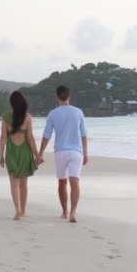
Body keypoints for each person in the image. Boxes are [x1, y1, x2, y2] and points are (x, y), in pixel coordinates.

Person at [39, 85, 88, 223]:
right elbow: (84, 134)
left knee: (62, 182)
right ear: (69, 96)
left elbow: (46, 135)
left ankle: (65, 211)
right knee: (75, 182)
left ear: (57, 97)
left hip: (60, 152)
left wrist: (40, 153)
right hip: (76, 152)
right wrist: (86, 153)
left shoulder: (53, 114)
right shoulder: (78, 112)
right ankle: (73, 212)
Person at [0, 91, 42, 220]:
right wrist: (37, 155)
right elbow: (30, 137)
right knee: (24, 184)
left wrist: (1, 155)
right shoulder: (28, 117)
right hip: (25, 152)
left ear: (11, 103)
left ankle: (17, 210)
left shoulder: (5, 117)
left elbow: (3, 137)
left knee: (14, 184)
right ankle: (23, 211)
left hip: (12, 152)